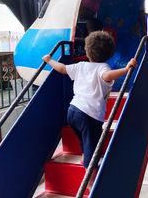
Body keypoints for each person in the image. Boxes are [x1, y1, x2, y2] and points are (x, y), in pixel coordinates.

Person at [42, 31, 137, 168]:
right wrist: (126, 69)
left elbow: (62, 68)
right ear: (110, 54)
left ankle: (84, 155)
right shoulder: (103, 67)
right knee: (93, 144)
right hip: (90, 116)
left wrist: (49, 60)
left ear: (87, 51)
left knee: (84, 138)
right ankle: (90, 176)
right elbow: (107, 75)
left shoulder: (80, 65)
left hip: (73, 111)